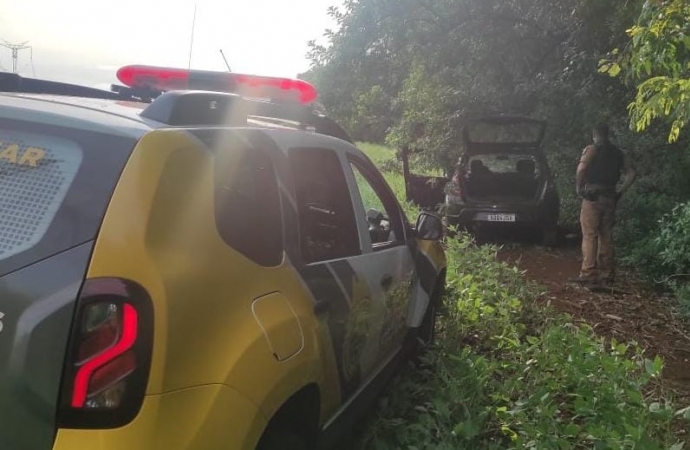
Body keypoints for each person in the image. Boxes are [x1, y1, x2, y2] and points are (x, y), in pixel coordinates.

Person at [570, 123, 636, 284]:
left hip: (592, 196)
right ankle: (607, 274)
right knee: (606, 236)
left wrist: (579, 188)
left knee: (590, 234)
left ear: (594, 134)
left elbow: (581, 169)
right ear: (608, 134)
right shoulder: (619, 153)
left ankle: (588, 273)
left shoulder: (592, 149)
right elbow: (632, 173)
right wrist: (620, 192)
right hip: (610, 196)